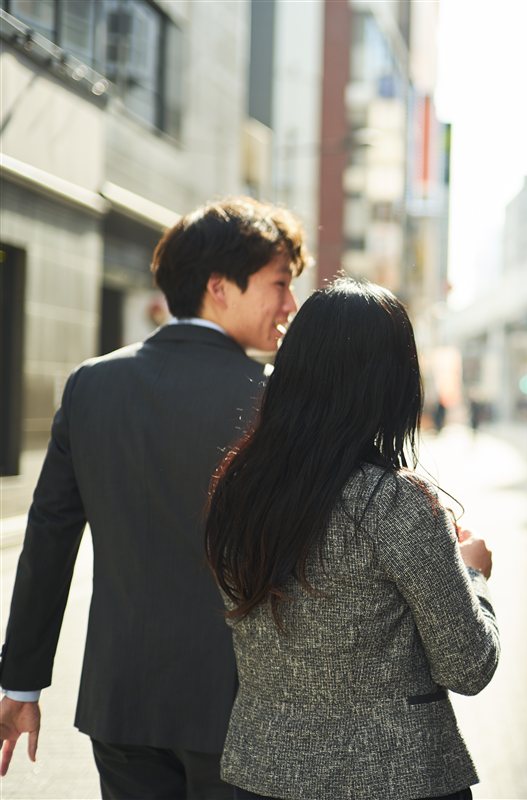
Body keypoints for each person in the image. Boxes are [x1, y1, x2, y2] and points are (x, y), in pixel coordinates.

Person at [0, 197, 308, 797]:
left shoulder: (91, 386)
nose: (290, 304)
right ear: (219, 287)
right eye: (279, 283)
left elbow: (49, 541)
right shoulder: (275, 400)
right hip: (242, 707)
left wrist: (21, 684)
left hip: (122, 703)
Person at [204, 277, 499, 800]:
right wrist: (472, 573)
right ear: (392, 384)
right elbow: (468, 666)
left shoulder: (238, 489)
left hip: (263, 773)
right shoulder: (393, 502)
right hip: (396, 779)